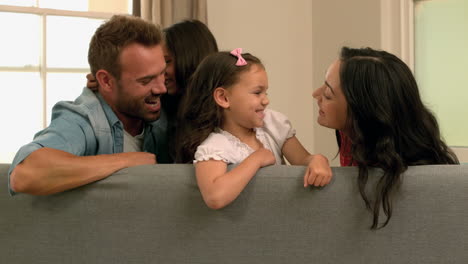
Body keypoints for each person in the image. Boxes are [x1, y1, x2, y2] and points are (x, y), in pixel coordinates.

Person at [8, 15, 168, 195]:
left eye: (162, 74)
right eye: (146, 80)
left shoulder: (166, 108)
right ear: (106, 81)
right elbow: (25, 175)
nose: (162, 88)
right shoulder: (84, 119)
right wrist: (128, 161)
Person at [312, 46, 459, 229]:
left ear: (362, 112)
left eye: (327, 94)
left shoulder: (415, 181)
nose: (315, 94)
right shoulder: (350, 135)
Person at [176, 49, 333, 209]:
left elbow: (302, 160)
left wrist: (317, 160)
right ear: (223, 98)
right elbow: (215, 196)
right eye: (257, 92)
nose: (266, 100)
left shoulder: (272, 123)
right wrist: (256, 159)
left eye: (266, 92)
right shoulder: (216, 146)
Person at [87, 19, 219, 160]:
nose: (160, 79)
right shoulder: (163, 106)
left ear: (190, 61)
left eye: (166, 62)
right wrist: (112, 83)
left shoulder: (221, 114)